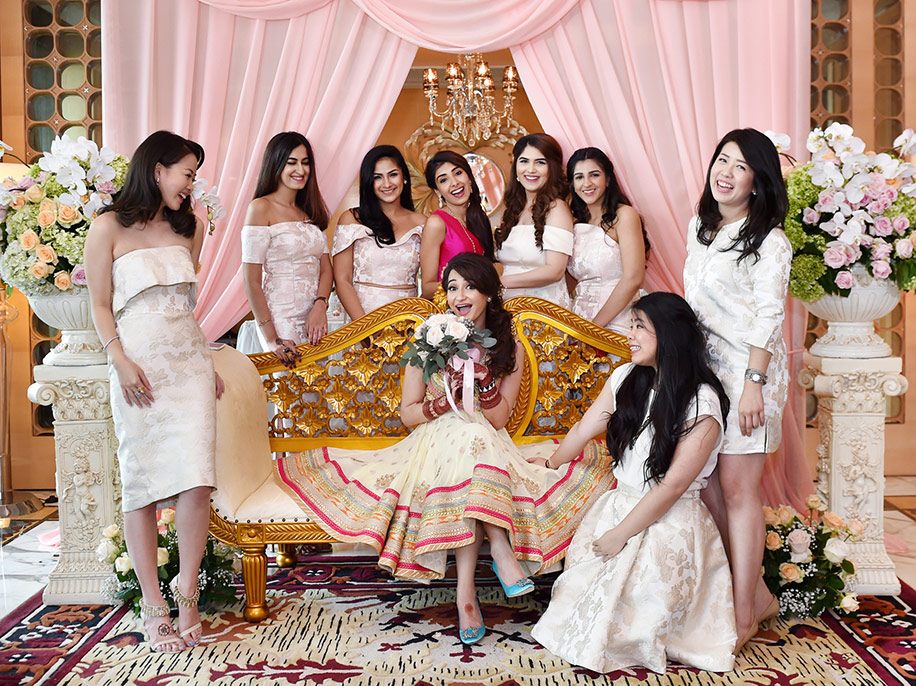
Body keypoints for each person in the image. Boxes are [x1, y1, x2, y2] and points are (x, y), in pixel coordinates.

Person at [275, 253, 613, 645]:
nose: (459, 296)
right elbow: (408, 414)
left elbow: (498, 419)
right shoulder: (429, 338)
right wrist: (442, 402)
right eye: (452, 287)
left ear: (489, 293)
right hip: (433, 440)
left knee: (475, 435)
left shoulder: (510, 348)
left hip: (487, 442)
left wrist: (484, 383)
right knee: (468, 434)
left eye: (470, 286)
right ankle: (499, 549)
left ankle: (465, 595)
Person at [529, 292, 736, 673]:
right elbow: (585, 428)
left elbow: (672, 486)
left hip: (671, 518)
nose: (629, 334)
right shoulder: (626, 378)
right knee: (575, 609)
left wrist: (620, 534)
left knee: (635, 614)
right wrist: (551, 462)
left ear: (669, 335)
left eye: (640, 326)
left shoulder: (701, 402)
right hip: (619, 503)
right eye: (631, 325)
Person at [85, 130, 224, 652]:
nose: (192, 185)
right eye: (187, 174)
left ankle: (187, 594)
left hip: (189, 365)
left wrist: (205, 359)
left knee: (197, 480)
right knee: (140, 484)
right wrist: (118, 359)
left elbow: (185, 307)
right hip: (136, 367)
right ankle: (152, 604)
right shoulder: (107, 227)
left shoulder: (192, 228)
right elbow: (100, 305)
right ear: (157, 169)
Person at [683, 128, 790, 653]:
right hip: (705, 376)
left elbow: (770, 317)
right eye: (722, 160)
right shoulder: (700, 227)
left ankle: (743, 614)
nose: (725, 172)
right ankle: (759, 595)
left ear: (757, 181)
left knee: (738, 492)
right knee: (705, 487)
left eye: (740, 166)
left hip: (751, 375)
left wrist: (753, 386)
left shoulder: (770, 240)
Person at [241, 132, 332, 364]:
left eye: (305, 162)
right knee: (287, 383)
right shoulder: (260, 208)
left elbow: (326, 269)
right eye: (292, 162)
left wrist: (320, 304)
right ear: (276, 164)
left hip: (316, 322)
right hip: (280, 320)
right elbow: (251, 280)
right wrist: (272, 338)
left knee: (318, 384)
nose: (300, 170)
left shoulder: (310, 210)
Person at [332, 145, 426, 321]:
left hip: (407, 323)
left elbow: (430, 282)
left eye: (393, 174)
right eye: (378, 177)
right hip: (362, 322)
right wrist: (366, 328)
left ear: (404, 177)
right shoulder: (351, 219)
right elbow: (342, 279)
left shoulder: (422, 223)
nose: (387, 184)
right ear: (369, 182)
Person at [566, 147, 648, 334]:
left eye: (594, 175)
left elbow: (633, 278)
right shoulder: (576, 225)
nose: (587, 183)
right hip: (579, 319)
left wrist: (594, 328)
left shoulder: (624, 215)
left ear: (608, 179)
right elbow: (569, 281)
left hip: (617, 318)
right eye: (579, 177)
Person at [494, 133, 574, 307]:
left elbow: (555, 270)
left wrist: (498, 282)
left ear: (552, 168)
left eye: (540, 162)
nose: (530, 169)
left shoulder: (556, 208)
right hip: (510, 308)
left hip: (543, 311)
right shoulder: (512, 210)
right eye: (524, 161)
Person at [419, 150, 495, 299]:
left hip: (477, 306)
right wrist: (468, 284)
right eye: (443, 180)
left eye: (458, 173)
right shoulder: (437, 223)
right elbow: (427, 288)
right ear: (437, 191)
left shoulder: (479, 218)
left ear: (469, 177)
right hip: (449, 308)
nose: (454, 183)